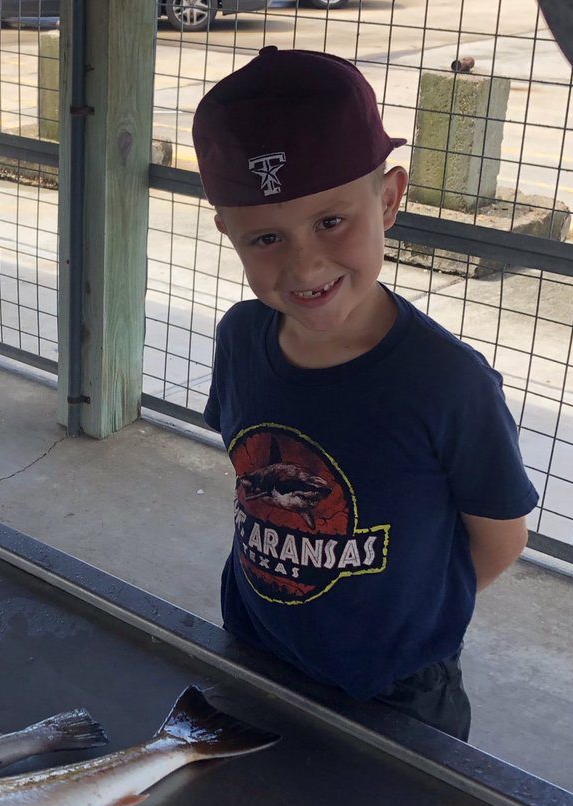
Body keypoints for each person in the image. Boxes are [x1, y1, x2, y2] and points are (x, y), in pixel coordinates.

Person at [191, 46, 539, 741]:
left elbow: (500, 539)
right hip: (255, 643)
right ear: (228, 232)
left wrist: (399, 618)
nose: (304, 265)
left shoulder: (447, 383)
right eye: (266, 237)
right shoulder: (240, 337)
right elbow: (250, 477)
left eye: (331, 222)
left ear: (388, 199)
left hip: (395, 689)